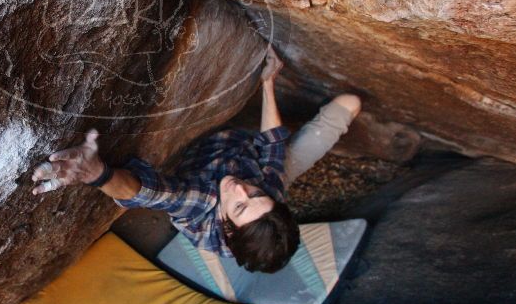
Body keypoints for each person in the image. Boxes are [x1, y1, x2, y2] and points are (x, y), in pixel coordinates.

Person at [31, 47, 361, 273]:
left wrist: (97, 174)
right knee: (349, 103)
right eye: (257, 195)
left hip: (206, 167)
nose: (242, 190)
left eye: (241, 206)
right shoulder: (267, 189)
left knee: (154, 194)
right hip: (250, 159)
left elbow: (155, 194)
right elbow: (273, 147)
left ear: (228, 228)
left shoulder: (201, 207)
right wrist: (267, 82)